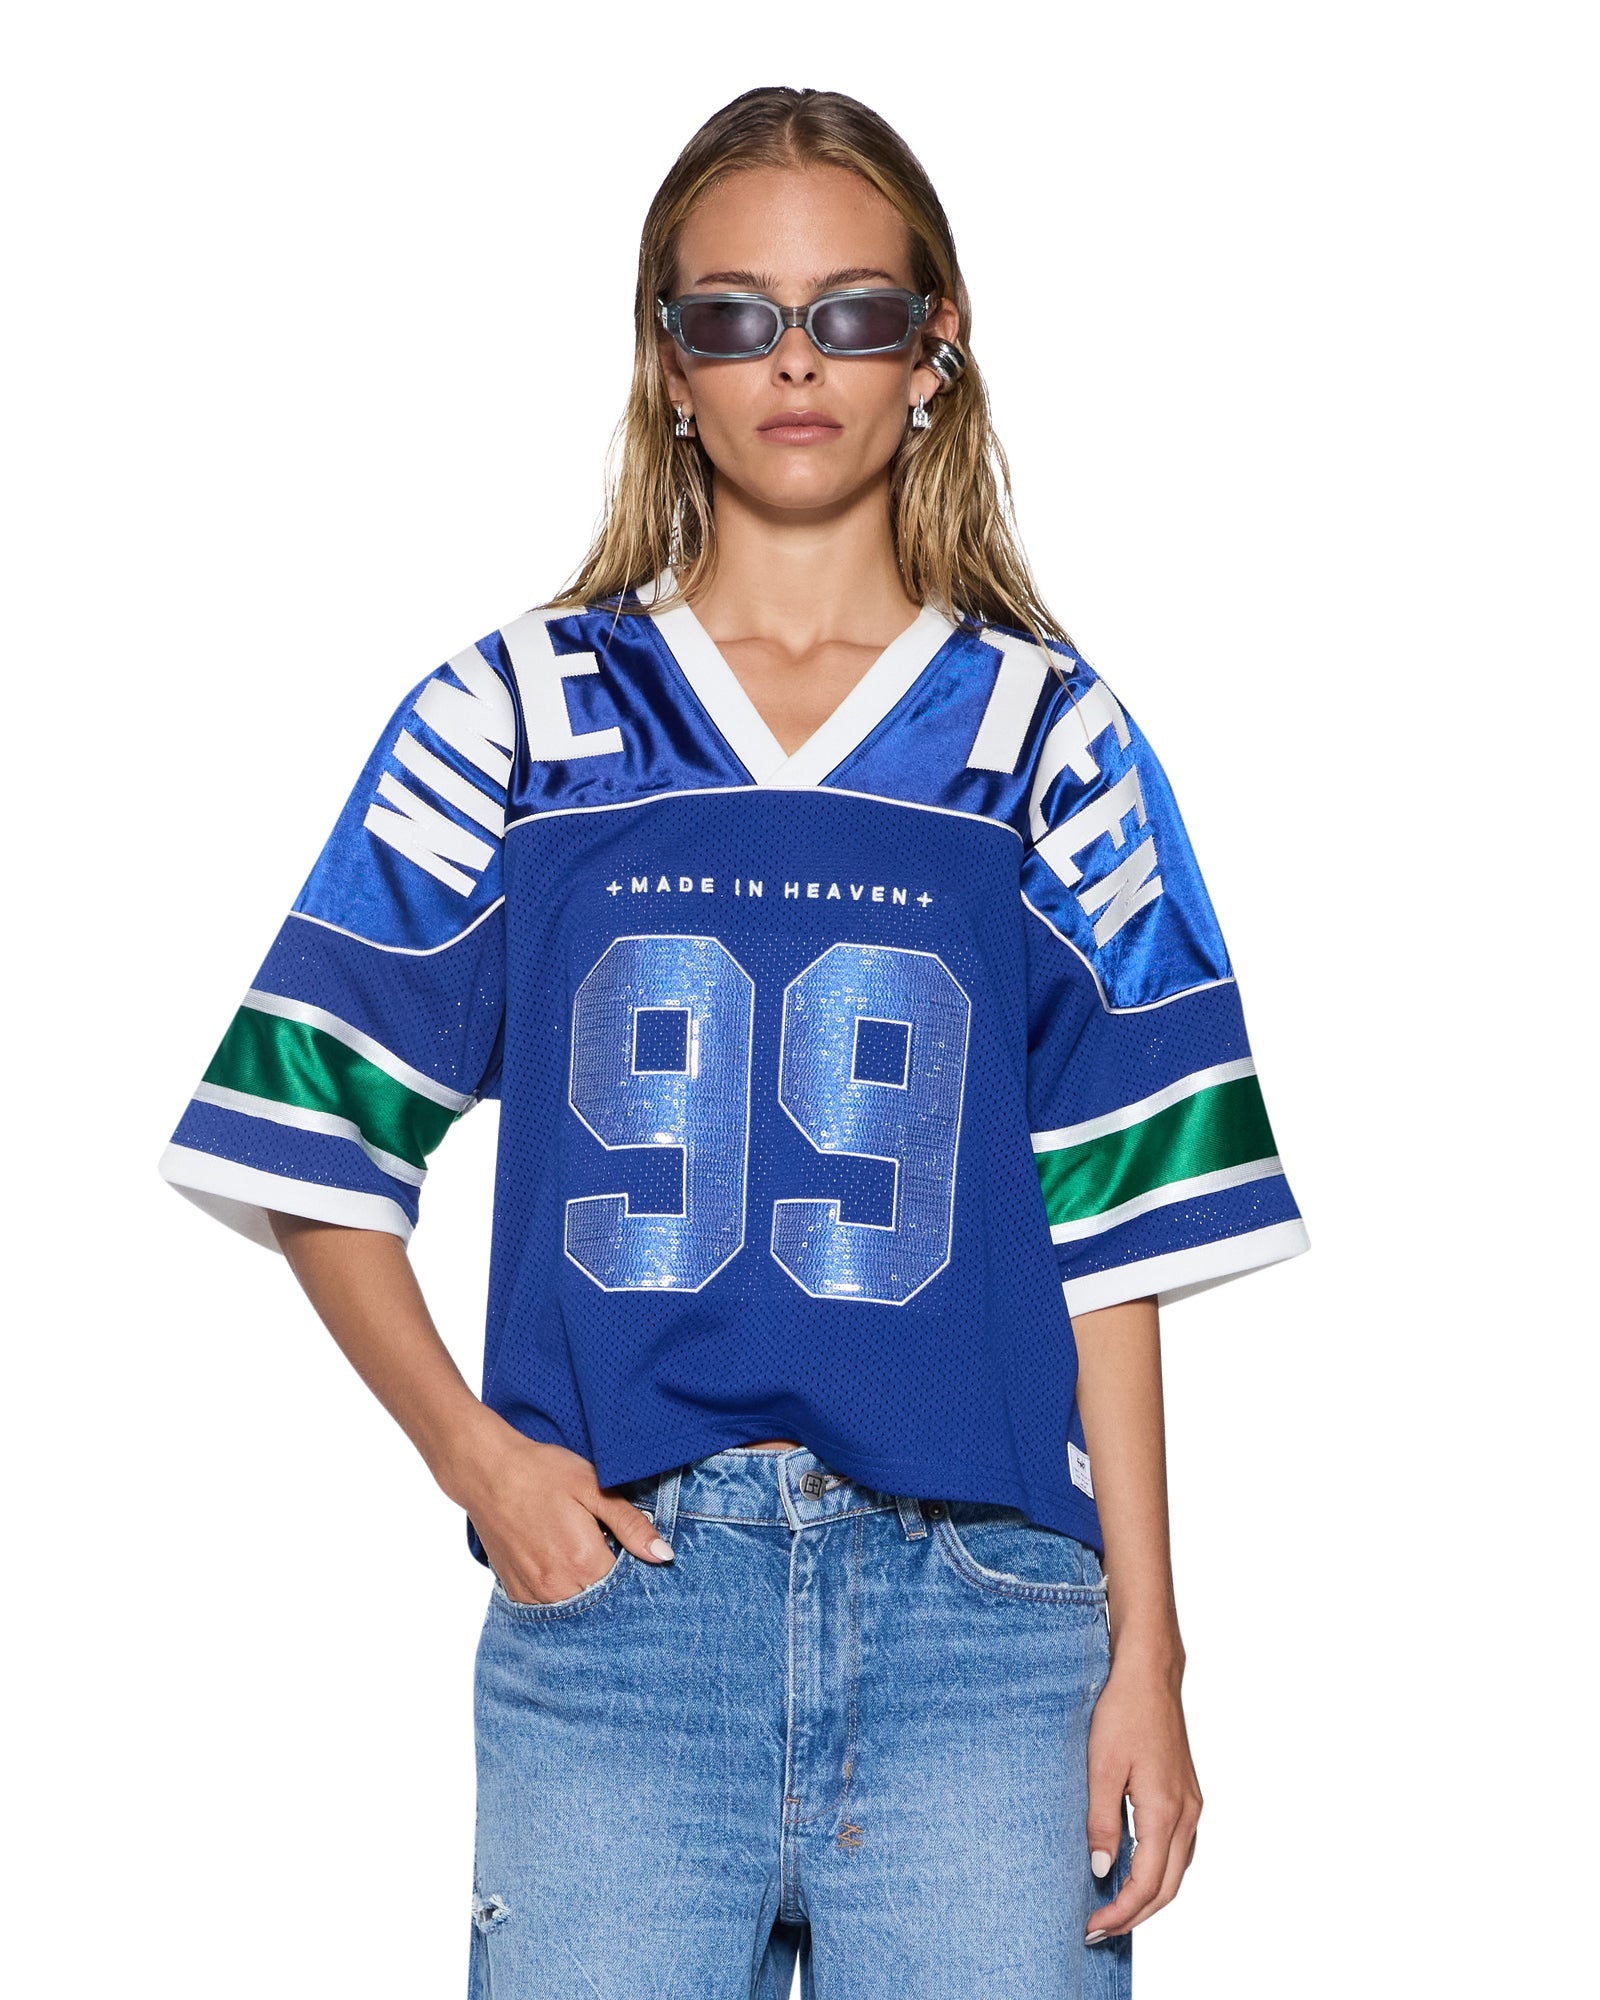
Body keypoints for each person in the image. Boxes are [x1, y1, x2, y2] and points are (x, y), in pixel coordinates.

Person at [159, 84, 1308, 1999]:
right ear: (665, 361)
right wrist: (479, 1464)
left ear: (934, 350)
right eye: (734, 315)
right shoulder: (519, 721)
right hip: (629, 1616)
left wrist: (1153, 1652)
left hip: (985, 1619)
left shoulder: (1047, 741)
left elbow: (1116, 1234)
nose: (795, 362)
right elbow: (307, 1130)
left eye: (852, 313)